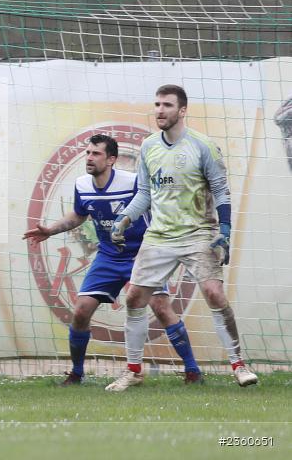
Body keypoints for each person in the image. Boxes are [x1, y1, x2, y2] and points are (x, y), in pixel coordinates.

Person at [108, 84, 258, 391]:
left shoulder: (203, 146)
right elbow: (145, 194)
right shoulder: (149, 147)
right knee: (135, 298)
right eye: (157, 104)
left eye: (166, 105)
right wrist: (124, 219)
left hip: (198, 233)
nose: (159, 110)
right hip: (160, 237)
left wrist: (225, 229)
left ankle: (239, 366)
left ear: (182, 110)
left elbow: (220, 190)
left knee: (214, 294)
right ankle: (134, 371)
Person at [23, 134, 201, 385]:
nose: (89, 158)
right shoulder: (83, 185)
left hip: (142, 255)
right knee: (82, 311)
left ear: (111, 159)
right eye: (87, 153)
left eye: (96, 154)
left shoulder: (134, 183)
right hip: (108, 256)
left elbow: (161, 209)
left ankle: (193, 371)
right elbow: (78, 215)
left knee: (161, 308)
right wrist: (50, 230)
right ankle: (76, 373)